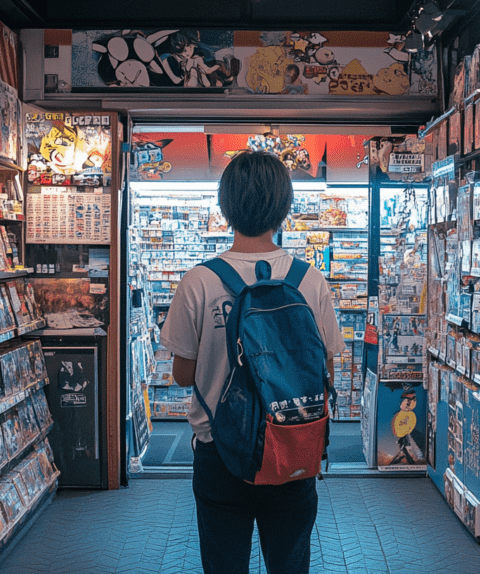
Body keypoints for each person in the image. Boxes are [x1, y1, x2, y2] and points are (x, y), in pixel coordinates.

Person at [160, 151, 345, 574]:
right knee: (290, 563)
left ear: (225, 207)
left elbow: (183, 374)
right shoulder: (309, 279)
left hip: (219, 454)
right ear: (285, 206)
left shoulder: (199, 281)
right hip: (292, 447)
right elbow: (327, 372)